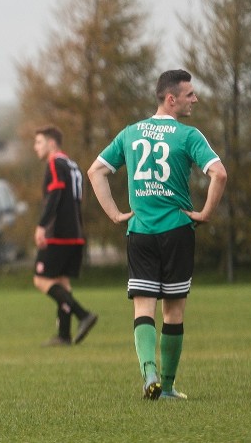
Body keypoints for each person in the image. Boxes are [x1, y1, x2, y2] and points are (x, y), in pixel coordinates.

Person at [87, 69, 227, 400]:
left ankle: (147, 370)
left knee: (143, 307)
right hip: (177, 230)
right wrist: (205, 214)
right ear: (171, 98)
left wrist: (115, 214)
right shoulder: (189, 135)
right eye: (190, 94)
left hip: (141, 232)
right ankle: (166, 385)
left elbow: (96, 171)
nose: (195, 99)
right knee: (173, 311)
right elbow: (219, 174)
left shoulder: (130, 133)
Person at [32, 127, 98, 346]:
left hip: (58, 233)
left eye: (39, 142)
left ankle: (83, 315)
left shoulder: (55, 163)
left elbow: (55, 195)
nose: (36, 147)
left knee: (40, 280)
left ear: (52, 144)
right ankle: (63, 335)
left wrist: (42, 226)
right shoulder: (73, 165)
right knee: (61, 282)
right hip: (75, 232)